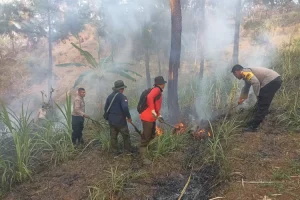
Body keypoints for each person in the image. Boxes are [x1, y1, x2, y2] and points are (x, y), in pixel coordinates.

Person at [231, 64, 282, 132]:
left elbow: (255, 82)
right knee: (262, 102)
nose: (235, 76)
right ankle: (259, 118)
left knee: (262, 103)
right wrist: (241, 99)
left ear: (237, 71)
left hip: (272, 80)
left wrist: (258, 95)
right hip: (275, 80)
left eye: (235, 74)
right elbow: (246, 87)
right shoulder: (245, 74)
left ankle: (254, 127)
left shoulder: (245, 72)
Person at [139, 76, 166, 165]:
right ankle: (143, 158)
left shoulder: (157, 90)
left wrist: (159, 115)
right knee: (146, 138)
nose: (164, 85)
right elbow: (149, 97)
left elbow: (156, 105)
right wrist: (152, 110)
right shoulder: (156, 90)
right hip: (147, 118)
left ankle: (148, 152)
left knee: (152, 135)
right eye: (163, 84)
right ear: (161, 84)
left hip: (151, 118)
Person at [104, 80, 132, 156]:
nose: (123, 90)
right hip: (120, 121)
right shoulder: (122, 97)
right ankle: (127, 151)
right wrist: (129, 117)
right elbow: (125, 107)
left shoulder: (109, 97)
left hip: (111, 121)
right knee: (126, 136)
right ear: (121, 89)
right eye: (123, 88)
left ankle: (115, 152)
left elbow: (106, 108)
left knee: (113, 137)